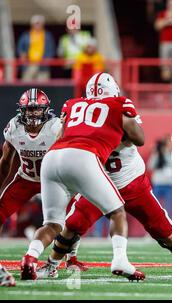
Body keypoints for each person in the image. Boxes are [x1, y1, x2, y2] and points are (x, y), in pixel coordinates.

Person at [20, 72, 145, 282]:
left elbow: (60, 135)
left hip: (52, 158)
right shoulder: (119, 103)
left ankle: (30, 258)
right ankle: (120, 260)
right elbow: (139, 139)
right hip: (83, 157)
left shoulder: (72, 104)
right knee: (117, 212)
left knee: (52, 224)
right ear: (113, 90)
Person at [37, 142, 172, 280]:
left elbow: (138, 137)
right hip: (99, 182)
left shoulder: (122, 114)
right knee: (73, 224)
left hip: (131, 182)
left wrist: (114, 129)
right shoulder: (83, 123)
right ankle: (51, 265)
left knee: (166, 234)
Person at [0, 88, 61, 287]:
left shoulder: (55, 128)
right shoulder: (14, 127)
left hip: (52, 179)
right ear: (21, 110)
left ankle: (59, 261)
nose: (33, 113)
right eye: (29, 109)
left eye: (37, 109)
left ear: (45, 109)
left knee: (64, 222)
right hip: (25, 178)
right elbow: (5, 162)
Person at [16, 15, 55, 81]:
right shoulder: (26, 35)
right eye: (36, 23)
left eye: (39, 23)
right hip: (29, 64)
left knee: (42, 88)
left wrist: (47, 59)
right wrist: (22, 55)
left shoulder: (48, 36)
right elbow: (20, 48)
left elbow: (52, 49)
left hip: (43, 65)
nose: (38, 25)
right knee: (27, 87)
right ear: (32, 24)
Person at [147, 137, 172, 216]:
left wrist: (167, 153)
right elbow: (150, 166)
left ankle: (168, 224)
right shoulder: (157, 154)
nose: (170, 145)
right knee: (154, 206)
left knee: (168, 207)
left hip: (169, 185)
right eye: (167, 144)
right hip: (158, 184)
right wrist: (156, 153)